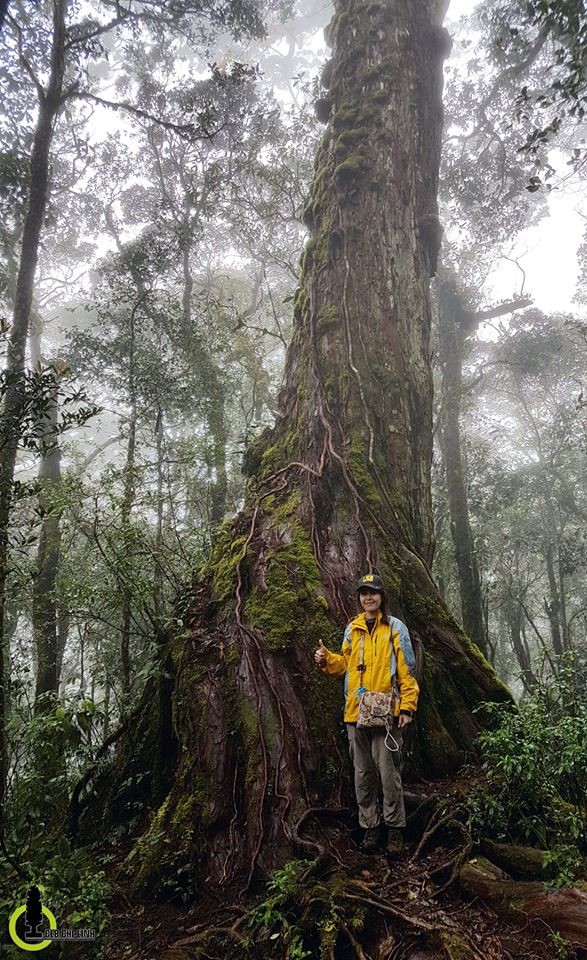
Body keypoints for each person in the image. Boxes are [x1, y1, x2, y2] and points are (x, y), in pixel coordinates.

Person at [315, 574, 419, 856]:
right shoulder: (353, 628)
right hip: (355, 714)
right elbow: (345, 665)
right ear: (359, 597)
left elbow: (408, 670)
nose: (368, 597)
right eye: (363, 593)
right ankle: (370, 828)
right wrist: (327, 660)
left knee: (388, 774)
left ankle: (395, 830)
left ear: (381, 597)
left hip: (386, 714)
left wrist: (407, 707)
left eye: (373, 593)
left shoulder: (395, 628)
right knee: (362, 774)